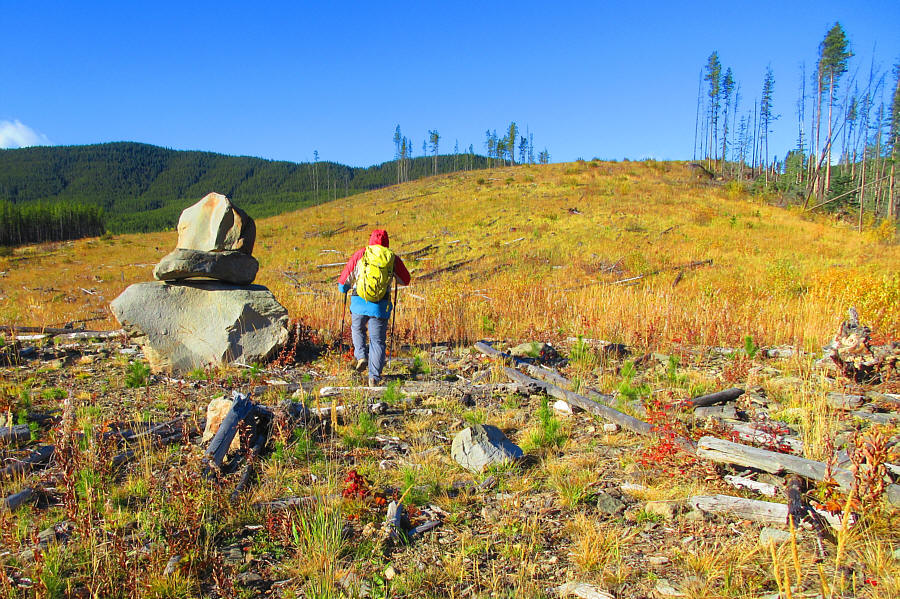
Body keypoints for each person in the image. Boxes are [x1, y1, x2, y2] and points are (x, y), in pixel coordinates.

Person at [337, 229, 411, 386]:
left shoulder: (362, 254)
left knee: (357, 329)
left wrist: (344, 289)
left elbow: (343, 283)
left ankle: (361, 355)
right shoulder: (392, 258)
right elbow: (406, 280)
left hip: (359, 302)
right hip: (380, 305)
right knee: (377, 341)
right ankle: (374, 377)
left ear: (370, 240)